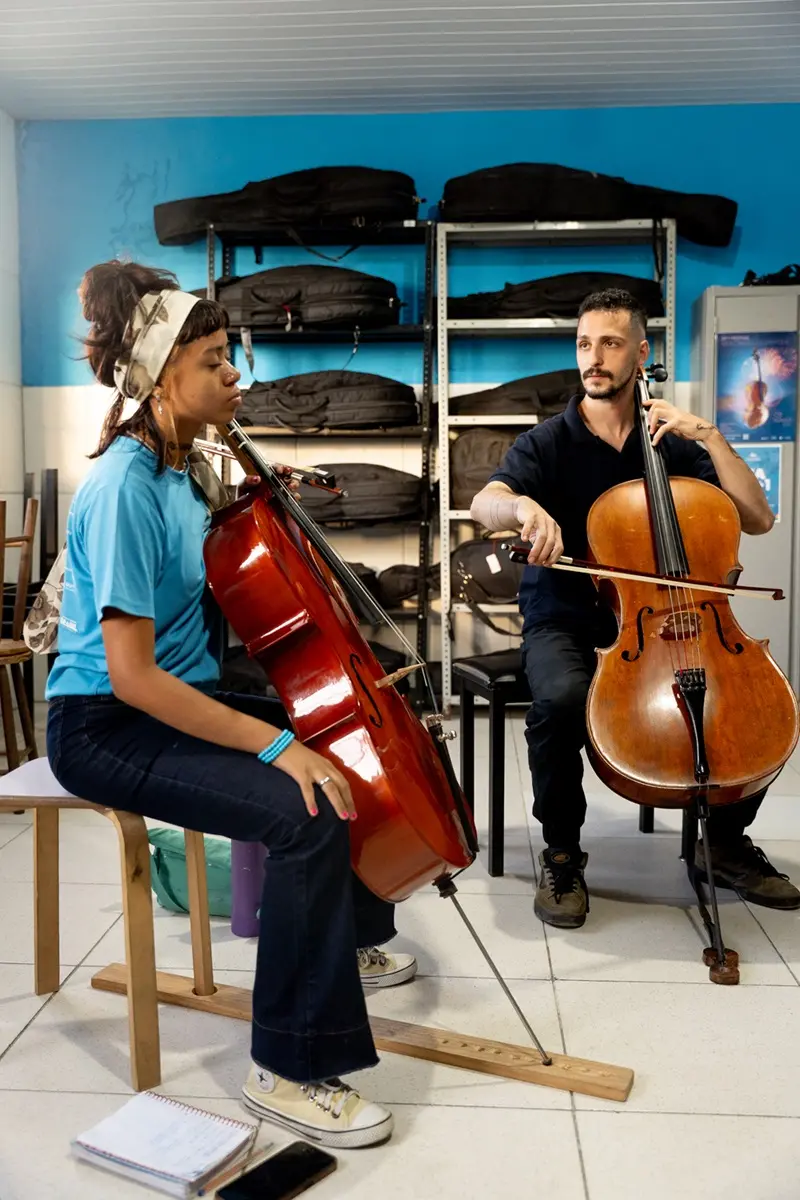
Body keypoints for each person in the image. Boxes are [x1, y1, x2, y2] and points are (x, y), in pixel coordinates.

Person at [45, 260, 418, 1148]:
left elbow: (233, 500)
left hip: (178, 697)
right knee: (302, 804)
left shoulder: (182, 466)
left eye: (229, 356)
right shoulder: (124, 488)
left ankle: (343, 940)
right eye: (214, 360)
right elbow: (132, 679)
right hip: (104, 724)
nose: (234, 375)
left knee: (338, 738)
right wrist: (270, 748)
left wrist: (268, 475)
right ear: (161, 378)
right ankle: (288, 1070)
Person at [470, 287, 800, 929]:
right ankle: (563, 851)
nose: (594, 358)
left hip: (676, 617)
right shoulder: (547, 442)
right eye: (585, 344)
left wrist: (708, 432)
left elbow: (757, 518)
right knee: (562, 699)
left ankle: (723, 844)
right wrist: (519, 507)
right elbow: (487, 502)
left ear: (640, 353)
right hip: (565, 616)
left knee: (758, 703)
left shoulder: (675, 447)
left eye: (611, 343)